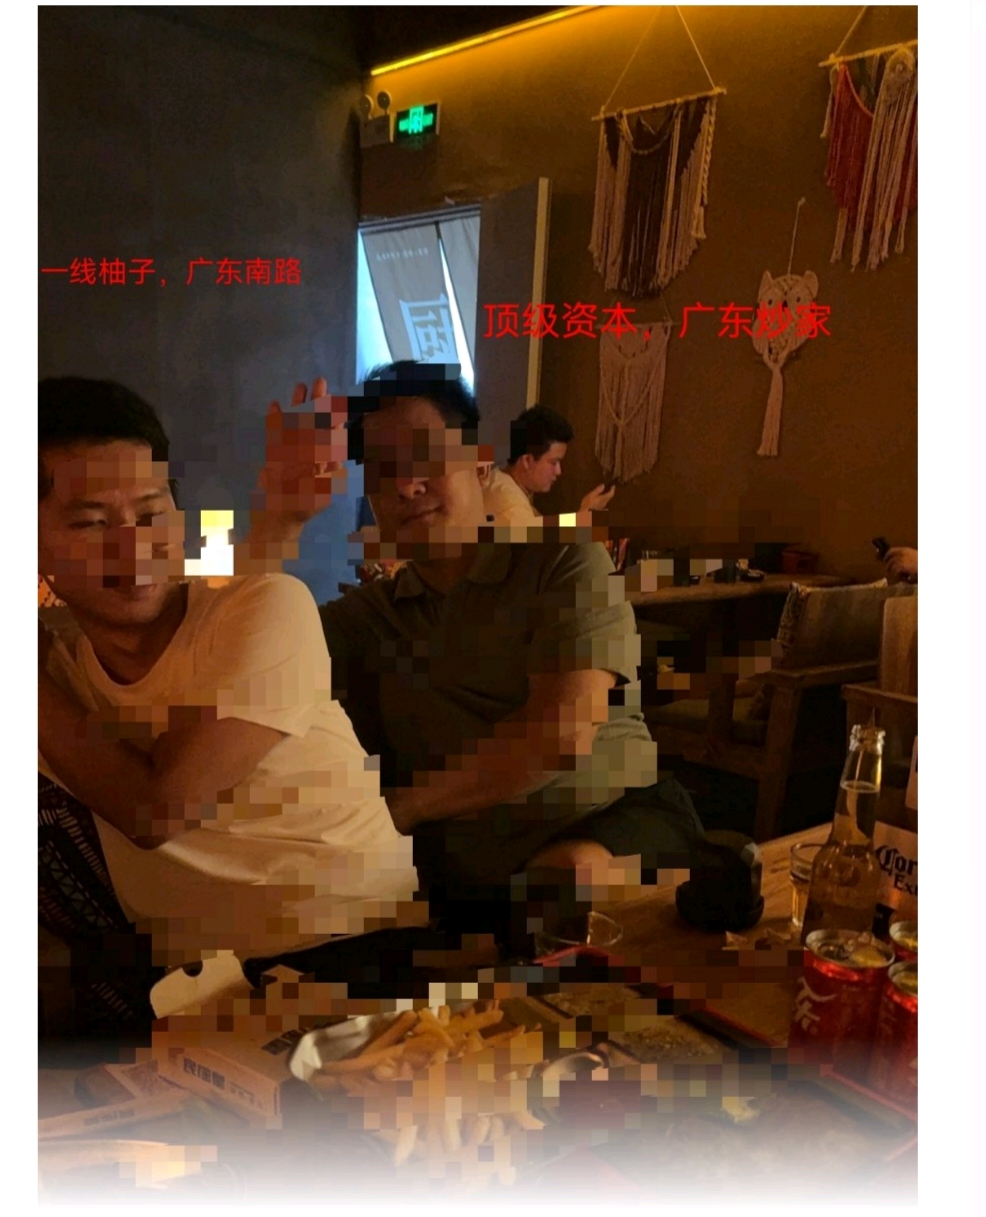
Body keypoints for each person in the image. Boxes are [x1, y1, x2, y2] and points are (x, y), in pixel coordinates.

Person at [254, 362, 704, 945]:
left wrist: (400, 809)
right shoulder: (369, 617)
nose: (406, 486)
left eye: (425, 456)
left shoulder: (560, 560)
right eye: (383, 471)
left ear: (481, 461)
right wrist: (279, 517)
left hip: (609, 822)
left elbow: (562, 733)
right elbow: (248, 650)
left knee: (564, 884)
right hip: (465, 875)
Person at [38, 377, 418, 985]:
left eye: (151, 513)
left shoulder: (271, 607)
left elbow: (158, 811)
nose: (133, 547)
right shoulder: (58, 673)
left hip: (357, 952)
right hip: (195, 989)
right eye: (90, 524)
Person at [483, 404, 616, 528]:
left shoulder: (500, 480)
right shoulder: (509, 506)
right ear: (527, 460)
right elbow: (535, 540)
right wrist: (582, 517)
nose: (558, 471)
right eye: (553, 462)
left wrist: (583, 515)